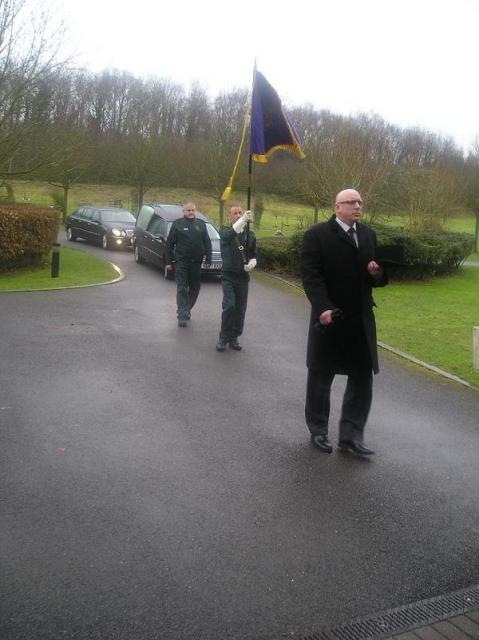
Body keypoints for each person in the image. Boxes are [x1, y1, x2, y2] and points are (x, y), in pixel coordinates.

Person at [300, 188, 388, 456]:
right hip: (330, 319)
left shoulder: (368, 235)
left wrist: (377, 273)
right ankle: (318, 430)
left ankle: (351, 437)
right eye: (351, 202)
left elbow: (380, 280)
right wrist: (323, 307)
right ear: (336, 207)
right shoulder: (316, 236)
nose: (357, 206)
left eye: (360, 202)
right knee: (320, 376)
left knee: (362, 378)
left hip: (360, 320)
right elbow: (311, 276)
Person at [216, 205, 257, 352]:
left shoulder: (250, 235)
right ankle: (223, 337)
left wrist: (252, 263)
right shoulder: (225, 231)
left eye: (240, 213)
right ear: (229, 216)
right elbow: (228, 236)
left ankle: (234, 337)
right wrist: (243, 220)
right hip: (228, 276)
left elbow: (253, 254)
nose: (238, 215)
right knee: (229, 306)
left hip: (243, 278)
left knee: (240, 309)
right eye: (235, 213)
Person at [166, 202, 212, 327]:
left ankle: (185, 309)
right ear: (183, 212)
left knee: (195, 289)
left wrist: (209, 259)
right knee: (181, 288)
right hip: (182, 262)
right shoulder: (177, 224)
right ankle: (182, 315)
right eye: (188, 210)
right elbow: (169, 244)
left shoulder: (201, 224)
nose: (191, 212)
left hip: (196, 263)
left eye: (193, 210)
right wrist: (168, 262)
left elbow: (207, 242)